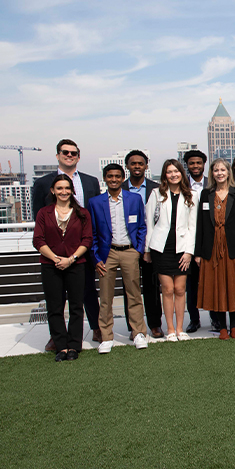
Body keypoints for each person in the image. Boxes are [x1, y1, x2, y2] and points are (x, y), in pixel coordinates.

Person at [32, 139, 101, 350]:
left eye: (73, 153)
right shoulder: (43, 183)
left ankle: (96, 327)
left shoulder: (91, 181)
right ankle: (57, 337)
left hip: (83, 247)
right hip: (54, 251)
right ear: (58, 155)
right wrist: (55, 255)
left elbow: (94, 214)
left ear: (78, 156)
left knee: (88, 290)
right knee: (57, 298)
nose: (69, 155)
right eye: (65, 152)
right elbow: (39, 217)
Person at [89, 164, 147, 354]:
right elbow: (93, 233)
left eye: (117, 176)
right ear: (105, 178)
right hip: (107, 254)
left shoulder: (134, 199)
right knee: (105, 297)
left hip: (130, 251)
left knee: (134, 294)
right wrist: (96, 256)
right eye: (110, 176)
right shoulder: (95, 202)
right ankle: (106, 336)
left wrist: (138, 250)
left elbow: (141, 226)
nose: (113, 179)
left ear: (123, 178)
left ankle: (138, 332)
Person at [195, 158, 235, 339]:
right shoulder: (206, 194)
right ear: (212, 173)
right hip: (211, 249)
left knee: (233, 287)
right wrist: (198, 253)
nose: (219, 173)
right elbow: (201, 225)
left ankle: (234, 325)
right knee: (216, 287)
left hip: (232, 248)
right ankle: (222, 327)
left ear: (228, 172)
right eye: (216, 170)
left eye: (222, 170)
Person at [145, 160, 198, 341]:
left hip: (182, 248)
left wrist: (189, 252)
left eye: (176, 171)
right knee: (167, 289)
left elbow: (193, 227)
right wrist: (147, 249)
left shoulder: (191, 195)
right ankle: (169, 329)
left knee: (180, 288)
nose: (173, 175)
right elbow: (149, 223)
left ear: (182, 174)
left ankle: (180, 328)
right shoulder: (156, 194)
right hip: (161, 248)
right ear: (164, 175)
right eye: (169, 172)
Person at [124, 149, 164, 339]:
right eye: (133, 163)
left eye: (141, 163)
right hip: (128, 246)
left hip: (151, 245)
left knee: (152, 286)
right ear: (128, 166)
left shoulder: (157, 188)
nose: (137, 167)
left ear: (146, 166)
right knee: (130, 288)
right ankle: (133, 326)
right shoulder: (120, 188)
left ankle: (155, 324)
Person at [183, 149, 208, 332]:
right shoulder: (181, 185)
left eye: (198, 163)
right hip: (188, 242)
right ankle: (194, 319)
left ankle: (216, 318)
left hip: (210, 241)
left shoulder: (212, 184)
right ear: (187, 165)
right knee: (191, 284)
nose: (195, 166)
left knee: (212, 282)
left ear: (204, 165)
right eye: (192, 163)